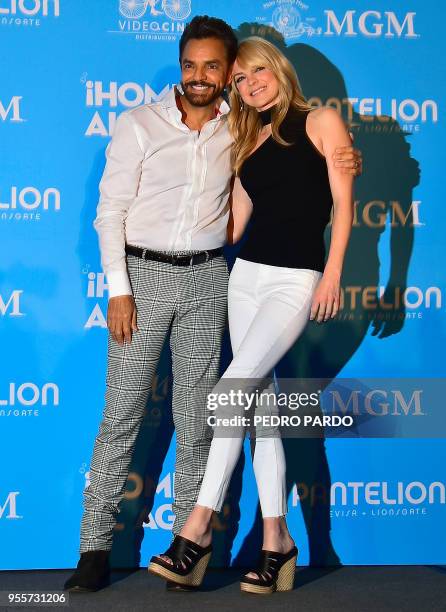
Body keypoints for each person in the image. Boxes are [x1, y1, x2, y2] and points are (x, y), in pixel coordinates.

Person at [64, 18, 360, 593]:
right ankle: (269, 545)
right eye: (194, 66)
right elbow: (196, 219)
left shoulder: (282, 125)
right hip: (193, 279)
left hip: (253, 280)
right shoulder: (183, 129)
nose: (221, 79)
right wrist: (127, 278)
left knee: (217, 406)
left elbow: (331, 199)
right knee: (233, 414)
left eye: (232, 69)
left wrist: (334, 257)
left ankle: (192, 536)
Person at [149, 36, 354, 594]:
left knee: (232, 391)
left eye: (255, 72)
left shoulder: (322, 122)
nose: (249, 84)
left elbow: (343, 203)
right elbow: (233, 227)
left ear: (277, 68)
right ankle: (277, 543)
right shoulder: (249, 137)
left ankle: (197, 526)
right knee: (260, 412)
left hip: (296, 280)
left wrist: (333, 273)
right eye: (239, 80)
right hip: (246, 280)